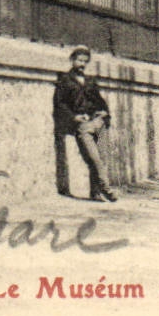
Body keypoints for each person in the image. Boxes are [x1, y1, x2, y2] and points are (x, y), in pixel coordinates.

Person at [54, 46, 116, 202]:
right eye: (79, 60)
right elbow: (60, 104)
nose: (82, 64)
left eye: (85, 61)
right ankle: (106, 188)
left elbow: (100, 101)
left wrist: (104, 112)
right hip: (83, 125)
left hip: (98, 122)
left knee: (102, 157)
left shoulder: (90, 81)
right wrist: (74, 117)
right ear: (72, 60)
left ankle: (95, 192)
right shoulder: (65, 81)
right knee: (94, 158)